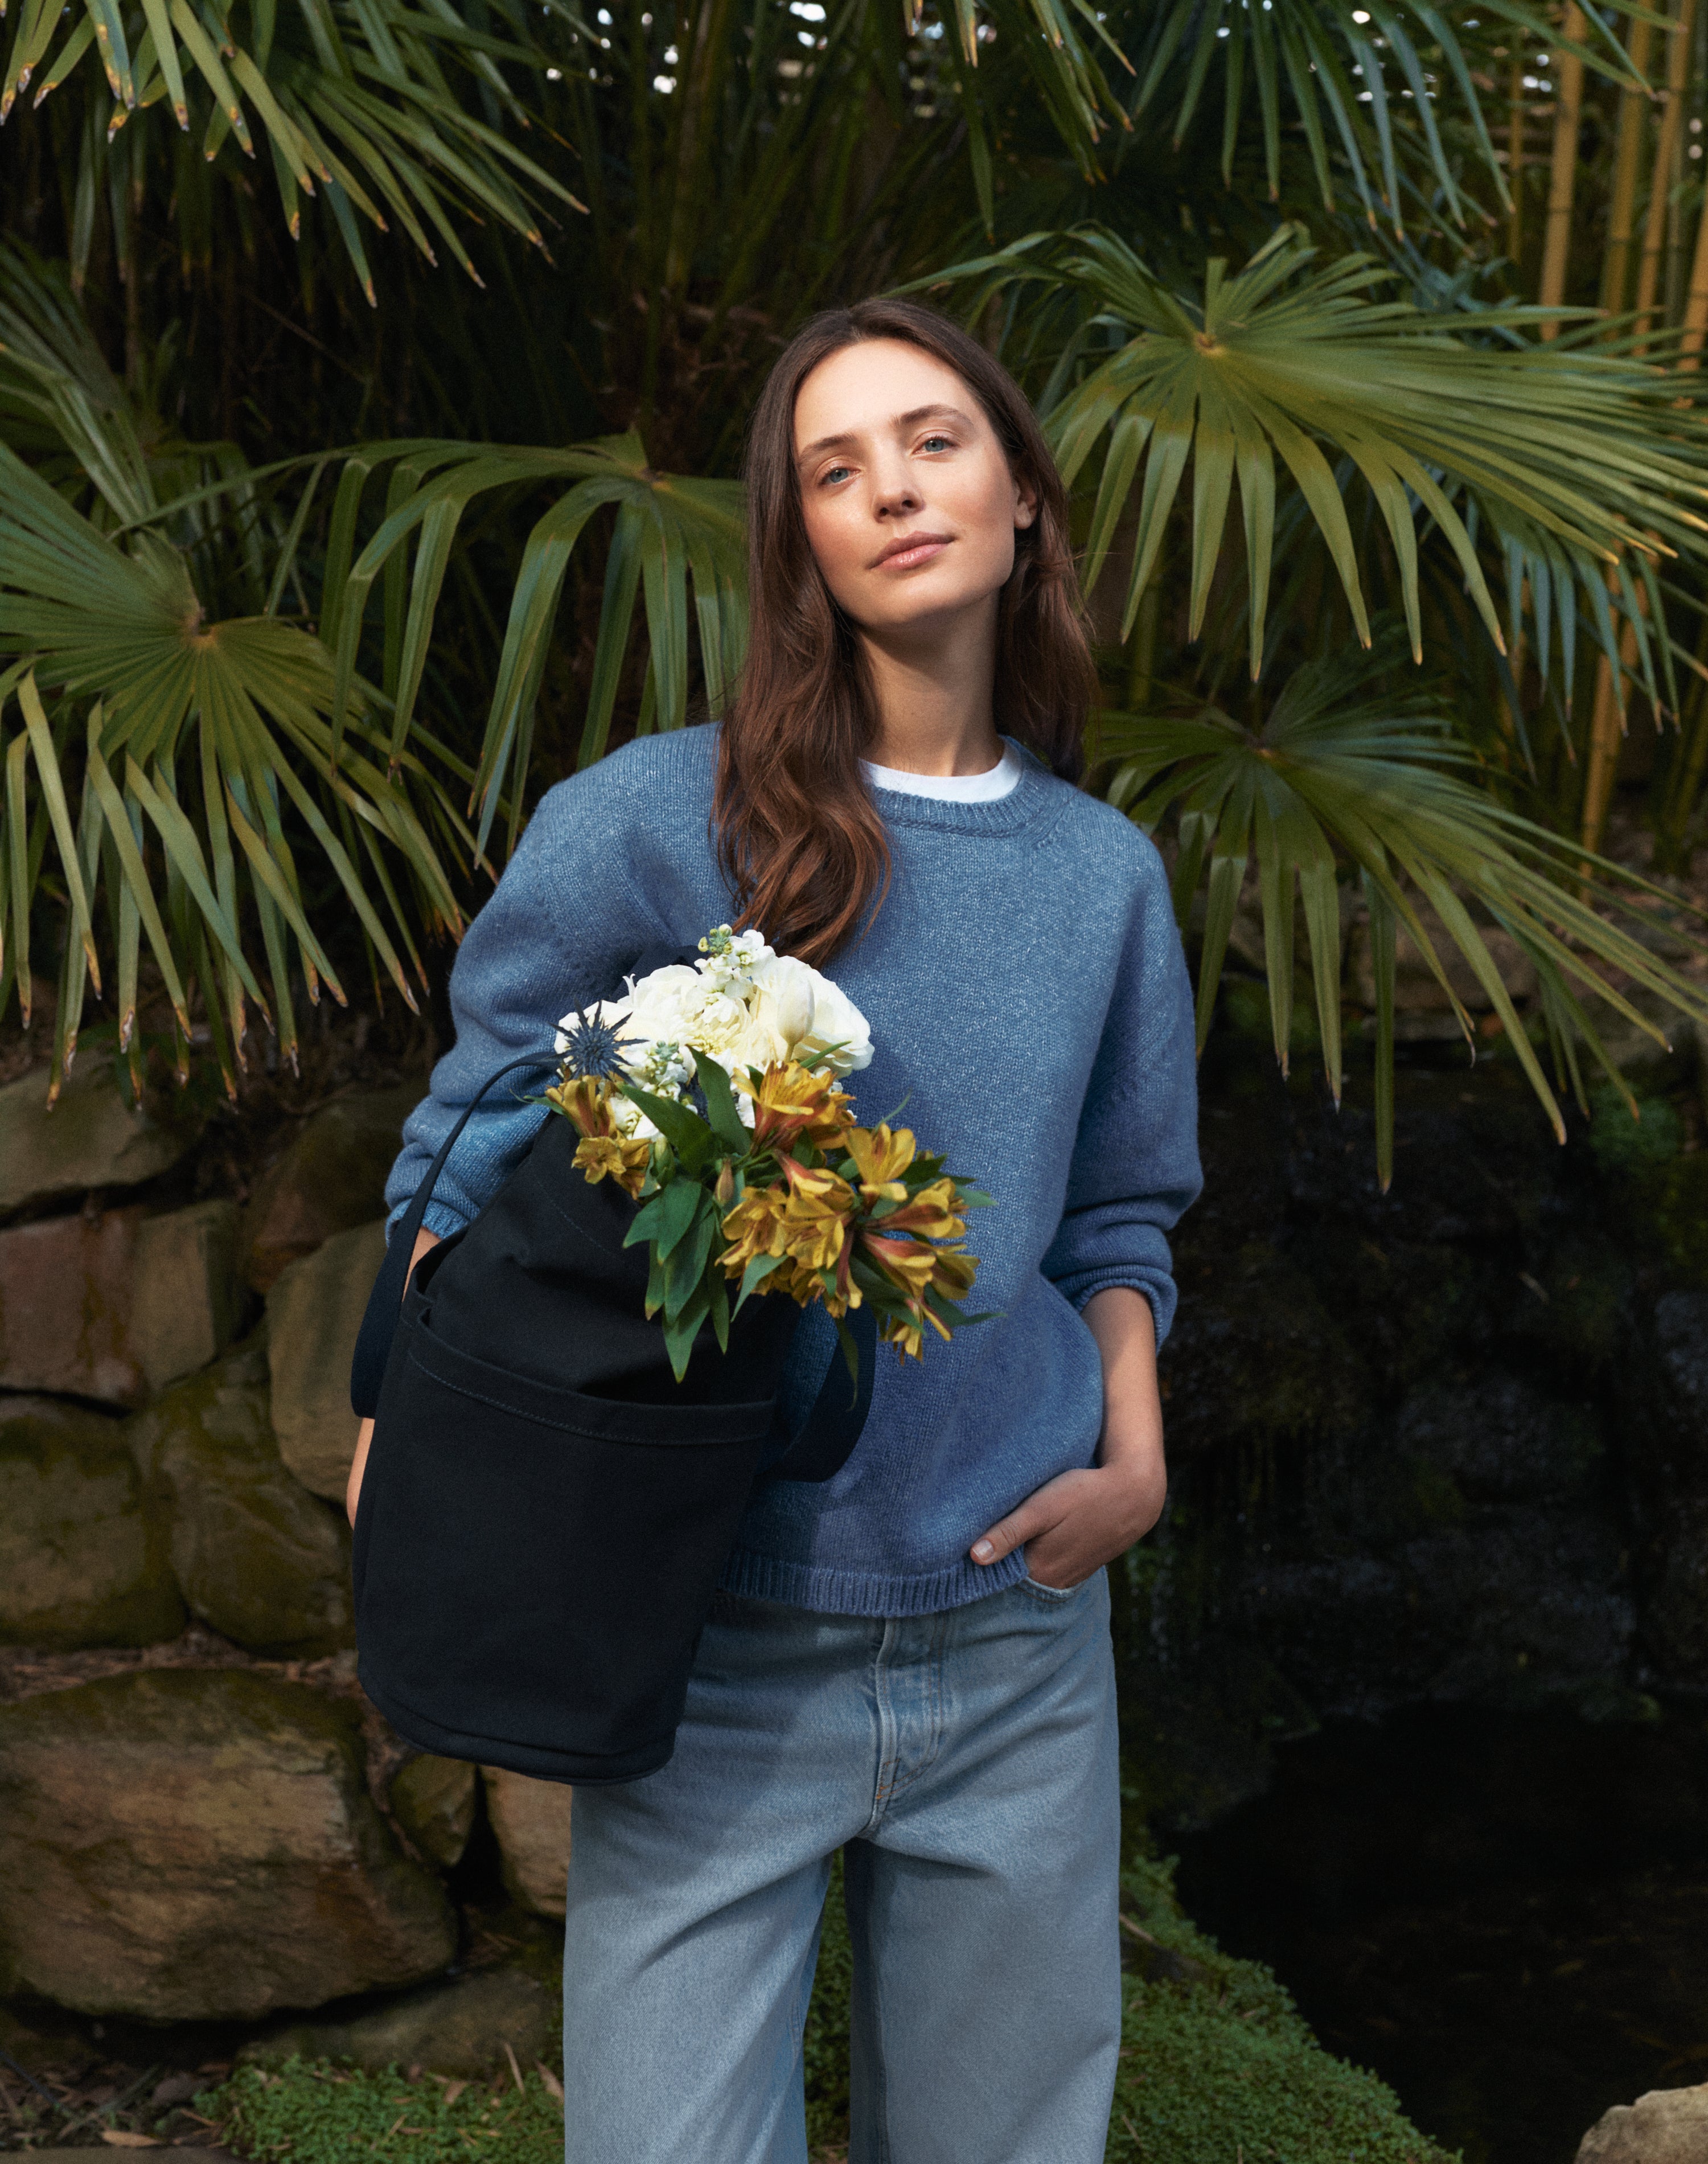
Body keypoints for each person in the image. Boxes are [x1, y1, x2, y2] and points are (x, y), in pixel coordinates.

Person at [349, 297, 1201, 2164]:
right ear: (798, 537)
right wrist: (403, 1421)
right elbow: (475, 1131)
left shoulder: (1104, 880)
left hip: (1020, 1636)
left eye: (933, 441)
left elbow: (1119, 1212)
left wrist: (1134, 1459)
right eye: (835, 467)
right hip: (715, 1624)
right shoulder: (661, 818)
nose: (892, 488)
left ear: (1022, 498)